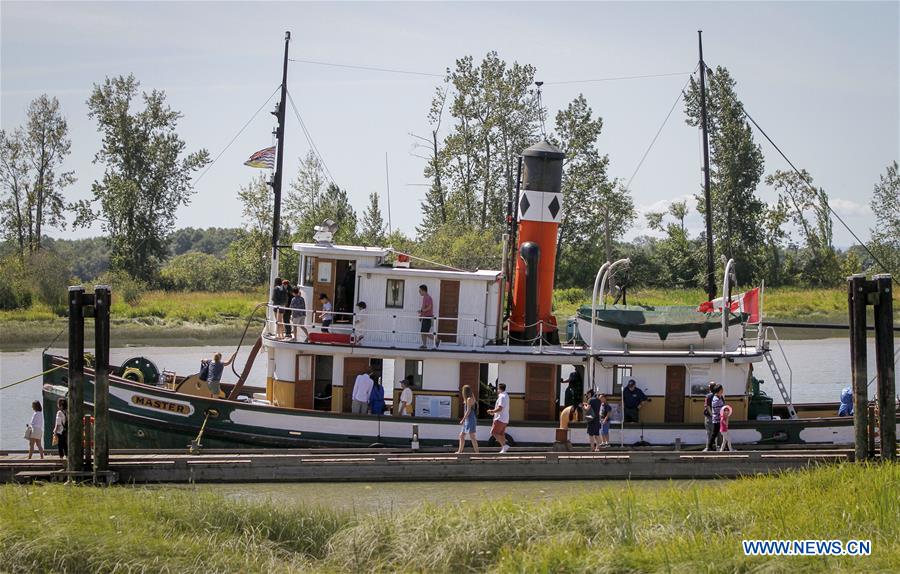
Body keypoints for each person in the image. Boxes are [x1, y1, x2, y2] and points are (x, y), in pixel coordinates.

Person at [456, 384, 480, 454]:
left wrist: (463, 419)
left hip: (470, 419)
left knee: (472, 436)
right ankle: (460, 451)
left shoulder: (469, 399)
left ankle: (477, 452)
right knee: (461, 435)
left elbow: (468, 411)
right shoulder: (471, 398)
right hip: (468, 419)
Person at [487, 382, 510, 453]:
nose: (497, 390)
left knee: (493, 432)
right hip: (505, 418)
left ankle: (504, 446)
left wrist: (492, 411)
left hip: (500, 418)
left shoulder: (501, 396)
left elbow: (500, 408)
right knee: (501, 434)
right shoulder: (506, 396)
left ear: (499, 389)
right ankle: (504, 449)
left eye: (497, 389)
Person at [706, 384, 725, 452]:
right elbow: (720, 409)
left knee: (716, 433)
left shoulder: (718, 397)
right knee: (717, 433)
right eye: (722, 389)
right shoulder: (716, 399)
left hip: (717, 418)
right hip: (718, 419)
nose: (723, 390)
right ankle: (710, 446)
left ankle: (711, 446)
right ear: (719, 390)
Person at [418, 284, 436, 350]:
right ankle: (424, 345)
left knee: (424, 332)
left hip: (428, 317)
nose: (419, 292)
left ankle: (437, 341)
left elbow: (429, 307)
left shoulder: (428, 297)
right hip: (425, 317)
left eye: (420, 291)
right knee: (423, 332)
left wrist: (421, 311)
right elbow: (424, 307)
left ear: (424, 291)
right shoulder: (425, 297)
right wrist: (421, 315)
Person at [702, 381, 717, 451]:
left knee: (709, 432)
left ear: (710, 388)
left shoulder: (708, 396)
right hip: (717, 417)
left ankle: (708, 447)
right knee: (717, 433)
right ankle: (717, 447)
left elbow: (707, 407)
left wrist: (712, 415)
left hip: (709, 417)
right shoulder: (718, 396)